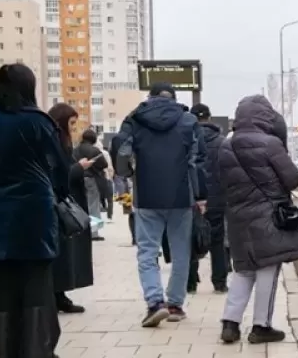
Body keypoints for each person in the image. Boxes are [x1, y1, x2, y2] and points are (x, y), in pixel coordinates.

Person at [0, 64, 64, 358]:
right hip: (35, 211)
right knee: (36, 278)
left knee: (3, 280)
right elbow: (58, 168)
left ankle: (5, 354)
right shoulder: (39, 122)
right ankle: (37, 353)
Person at [113, 82, 206, 327]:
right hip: (180, 196)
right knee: (181, 252)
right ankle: (175, 304)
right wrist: (200, 195)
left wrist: (128, 172)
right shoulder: (187, 120)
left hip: (146, 195)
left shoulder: (135, 118)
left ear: (150, 97)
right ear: (173, 98)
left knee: (147, 252)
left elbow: (121, 149)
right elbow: (198, 159)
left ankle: (155, 303)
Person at [218, 94, 298, 344]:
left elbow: (222, 183)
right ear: (264, 116)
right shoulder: (270, 143)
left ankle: (230, 323)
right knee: (268, 269)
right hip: (268, 216)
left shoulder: (226, 145)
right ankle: (261, 327)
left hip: (237, 218)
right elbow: (293, 180)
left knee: (243, 271)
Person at [49, 104, 95, 314]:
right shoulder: (53, 143)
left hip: (65, 204)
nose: (74, 128)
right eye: (72, 124)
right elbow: (58, 175)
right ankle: (57, 294)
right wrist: (79, 168)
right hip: (60, 206)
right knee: (62, 253)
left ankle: (60, 293)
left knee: (68, 252)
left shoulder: (61, 142)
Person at [191, 103, 229, 294]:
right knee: (217, 240)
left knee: (189, 239)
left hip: (191, 198)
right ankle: (219, 282)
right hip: (217, 199)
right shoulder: (222, 142)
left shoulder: (186, 140)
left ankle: (190, 283)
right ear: (210, 117)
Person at [76, 128, 108, 241]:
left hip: (77, 178)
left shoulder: (75, 150)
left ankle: (81, 230)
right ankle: (93, 232)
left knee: (80, 205)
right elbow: (104, 164)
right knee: (93, 205)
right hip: (91, 179)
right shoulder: (94, 150)